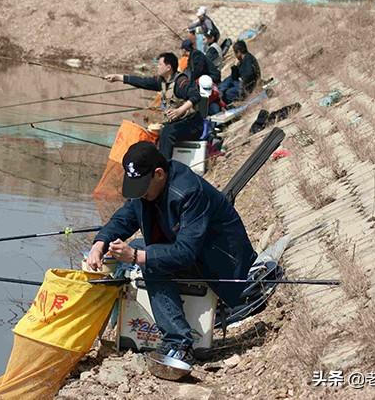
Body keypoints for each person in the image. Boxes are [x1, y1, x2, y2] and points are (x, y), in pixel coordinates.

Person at [86, 141, 257, 369]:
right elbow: (125, 217)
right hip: (195, 253)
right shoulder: (150, 190)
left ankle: (179, 344)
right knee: (138, 249)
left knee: (146, 256)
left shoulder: (188, 192)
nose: (141, 195)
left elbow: (185, 253)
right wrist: (100, 243)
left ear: (158, 174)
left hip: (221, 265)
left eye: (143, 189)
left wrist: (137, 256)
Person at [104, 52, 203, 159]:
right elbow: (142, 82)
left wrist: (179, 110)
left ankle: (164, 167)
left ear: (168, 67)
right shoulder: (163, 81)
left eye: (160, 64)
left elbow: (196, 96)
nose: (157, 67)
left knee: (167, 133)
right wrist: (118, 77)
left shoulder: (180, 82)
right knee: (157, 131)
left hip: (192, 125)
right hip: (178, 123)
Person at [218, 40, 261, 105]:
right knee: (229, 80)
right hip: (243, 84)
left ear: (239, 52)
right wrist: (235, 67)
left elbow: (248, 76)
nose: (235, 55)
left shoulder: (248, 60)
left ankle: (225, 99)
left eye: (235, 53)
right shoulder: (243, 60)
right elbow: (235, 76)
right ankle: (219, 90)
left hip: (247, 87)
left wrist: (239, 81)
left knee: (228, 93)